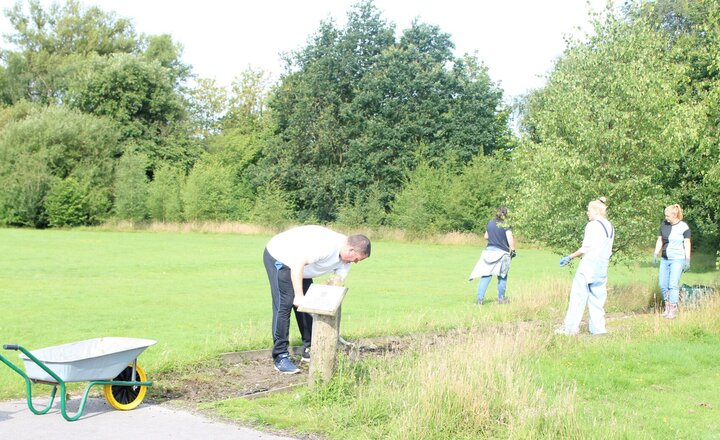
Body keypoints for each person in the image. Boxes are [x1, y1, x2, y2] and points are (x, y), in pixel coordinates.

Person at [263, 225, 371, 374]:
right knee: (285, 304)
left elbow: (336, 285)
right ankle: (280, 356)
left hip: (302, 268)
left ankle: (310, 349)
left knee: (310, 304)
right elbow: (297, 264)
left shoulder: (345, 261)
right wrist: (299, 295)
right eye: (357, 259)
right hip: (281, 257)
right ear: (351, 250)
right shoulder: (326, 246)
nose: (356, 262)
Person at [555, 197, 614, 335]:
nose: (587, 213)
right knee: (598, 298)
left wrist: (570, 257)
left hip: (589, 265)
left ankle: (569, 328)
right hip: (602, 265)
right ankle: (598, 329)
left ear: (595, 211)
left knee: (578, 297)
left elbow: (585, 248)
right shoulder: (609, 226)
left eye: (589, 210)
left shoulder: (592, 225)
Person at [468, 206, 516, 305]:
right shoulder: (506, 224)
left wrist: (494, 237)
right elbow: (510, 238)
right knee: (502, 276)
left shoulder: (490, 223)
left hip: (488, 251)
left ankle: (479, 300)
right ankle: (501, 299)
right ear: (506, 214)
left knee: (486, 276)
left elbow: (486, 236)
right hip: (502, 253)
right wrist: (513, 250)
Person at [653, 204, 691, 319]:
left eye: (668, 216)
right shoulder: (664, 225)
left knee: (672, 284)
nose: (666, 218)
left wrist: (687, 259)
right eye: (665, 215)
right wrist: (655, 253)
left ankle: (672, 310)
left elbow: (687, 243)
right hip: (665, 259)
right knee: (662, 284)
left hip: (677, 259)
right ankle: (667, 306)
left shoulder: (684, 227)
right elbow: (660, 240)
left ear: (674, 215)